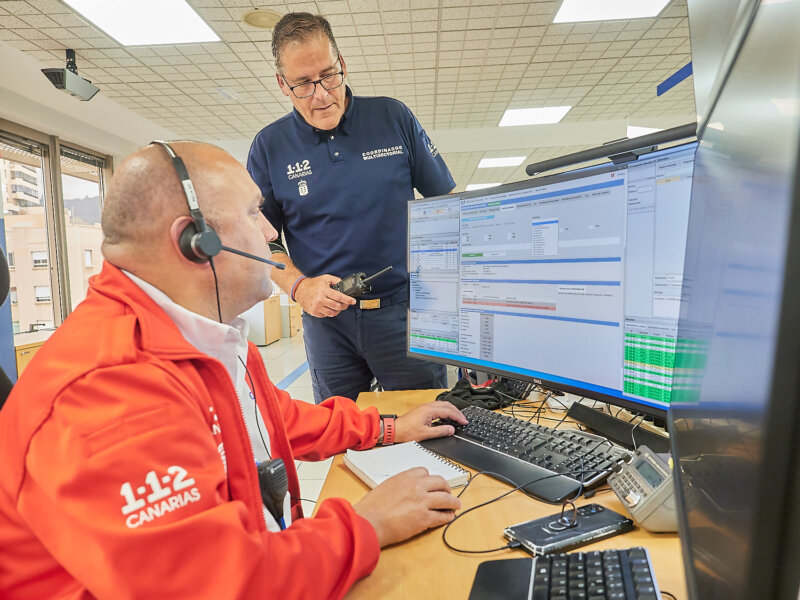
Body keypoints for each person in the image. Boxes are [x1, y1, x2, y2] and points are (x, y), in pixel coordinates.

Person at [0, 142, 468, 600]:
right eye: (253, 212)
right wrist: (368, 525)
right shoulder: (111, 390)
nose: (269, 232)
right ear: (197, 241)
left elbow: (270, 418)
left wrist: (387, 427)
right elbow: (212, 586)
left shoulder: (200, 331)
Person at [248, 12, 455, 404]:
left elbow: (444, 206)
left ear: (342, 64)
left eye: (328, 76)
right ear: (282, 84)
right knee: (340, 433)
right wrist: (298, 286)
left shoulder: (393, 118)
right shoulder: (269, 147)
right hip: (328, 326)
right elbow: (257, 240)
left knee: (430, 425)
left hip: (406, 314)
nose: (322, 95)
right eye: (304, 85)